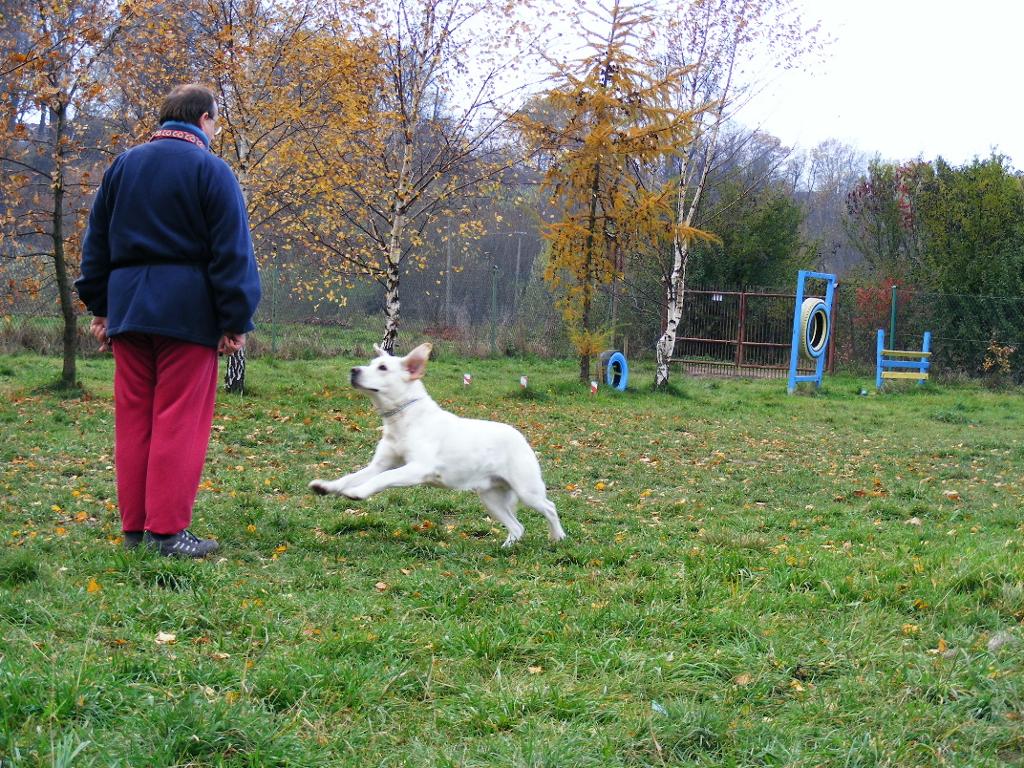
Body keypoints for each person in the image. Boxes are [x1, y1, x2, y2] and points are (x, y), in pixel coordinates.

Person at [75, 84, 261, 558]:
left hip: (130, 310)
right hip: (187, 315)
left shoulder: (122, 166)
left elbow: (95, 243)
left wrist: (101, 308)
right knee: (179, 419)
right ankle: (168, 534)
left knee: (134, 419)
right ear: (203, 120)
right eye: (216, 123)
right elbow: (232, 254)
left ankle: (136, 530)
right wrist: (235, 319)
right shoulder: (212, 171)